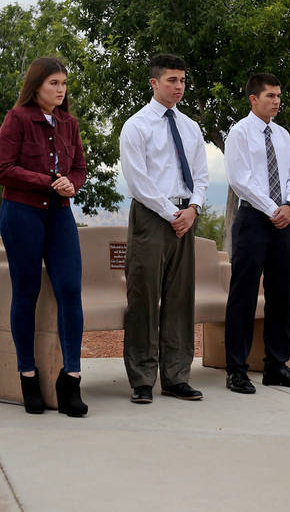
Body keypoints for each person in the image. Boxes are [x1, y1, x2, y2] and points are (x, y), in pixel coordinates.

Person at [0, 57, 88, 417]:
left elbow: (79, 167)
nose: (61, 90)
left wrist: (71, 184)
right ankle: (28, 376)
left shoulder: (70, 123)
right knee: (27, 293)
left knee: (69, 289)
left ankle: (71, 378)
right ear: (36, 86)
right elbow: (3, 170)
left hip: (60, 215)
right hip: (22, 215)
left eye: (64, 83)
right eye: (54, 83)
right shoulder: (17, 119)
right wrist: (49, 181)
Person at [119, 53, 209, 404]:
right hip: (152, 218)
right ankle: (142, 379)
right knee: (143, 298)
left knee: (180, 299)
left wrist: (194, 209)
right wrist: (173, 213)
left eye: (183, 80)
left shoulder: (189, 127)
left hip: (185, 219)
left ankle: (176, 376)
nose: (179, 86)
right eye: (172, 80)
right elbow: (138, 181)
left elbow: (201, 174)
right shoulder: (137, 125)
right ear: (154, 83)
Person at [223, 73, 290, 394]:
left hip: (282, 221)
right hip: (253, 219)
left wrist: (288, 205)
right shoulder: (240, 133)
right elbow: (240, 179)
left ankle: (277, 365)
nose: (277, 101)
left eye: (278, 95)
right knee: (244, 295)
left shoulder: (283, 135)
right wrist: (272, 208)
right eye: (271, 96)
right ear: (253, 99)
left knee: (280, 294)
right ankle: (236, 369)